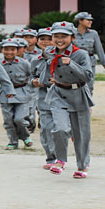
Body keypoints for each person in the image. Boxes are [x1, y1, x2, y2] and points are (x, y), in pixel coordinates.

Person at [43, 21, 95, 178]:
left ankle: (82, 166)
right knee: (60, 128)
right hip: (58, 94)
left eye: (64, 36)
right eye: (56, 36)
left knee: (81, 134)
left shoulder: (81, 54)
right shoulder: (50, 52)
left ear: (72, 37)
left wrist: (71, 63)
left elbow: (88, 76)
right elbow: (46, 72)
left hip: (78, 95)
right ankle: (60, 160)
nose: (59, 39)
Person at [0, 39, 33, 150]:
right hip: (5, 94)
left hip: (22, 93)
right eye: (6, 49)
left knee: (19, 119)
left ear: (17, 50)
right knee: (8, 120)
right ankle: (13, 141)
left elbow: (32, 76)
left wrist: (31, 88)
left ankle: (26, 136)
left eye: (12, 49)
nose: (9, 52)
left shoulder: (24, 63)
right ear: (2, 50)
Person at [30, 28, 57, 169]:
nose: (46, 42)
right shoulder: (35, 60)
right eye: (42, 39)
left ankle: (62, 156)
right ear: (37, 41)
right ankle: (52, 158)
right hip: (44, 98)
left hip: (63, 98)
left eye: (49, 39)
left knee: (61, 129)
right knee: (46, 129)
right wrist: (33, 81)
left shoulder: (64, 58)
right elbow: (30, 76)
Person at [73, 12, 105, 91]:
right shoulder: (72, 33)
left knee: (89, 84)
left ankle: (88, 102)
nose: (90, 22)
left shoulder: (93, 33)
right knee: (75, 83)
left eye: (91, 20)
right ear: (80, 21)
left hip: (90, 61)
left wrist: (104, 63)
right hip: (75, 62)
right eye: (88, 20)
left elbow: (99, 49)